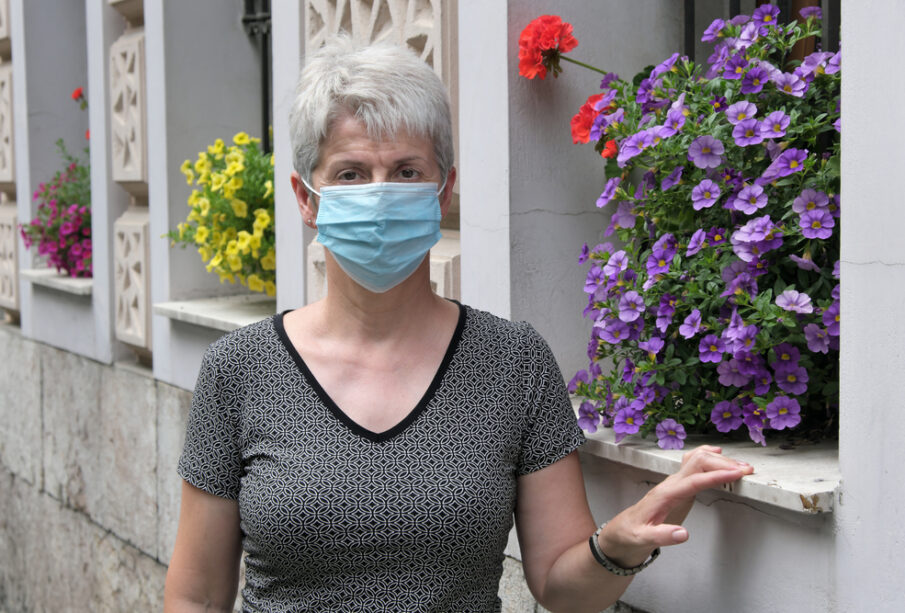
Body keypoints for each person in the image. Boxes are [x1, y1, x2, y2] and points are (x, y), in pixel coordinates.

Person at [163, 36, 754, 613]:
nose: (379, 195)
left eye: (406, 171)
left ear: (444, 191)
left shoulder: (513, 362)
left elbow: (562, 588)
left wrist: (620, 543)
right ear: (305, 198)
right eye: (350, 173)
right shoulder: (239, 371)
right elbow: (197, 597)